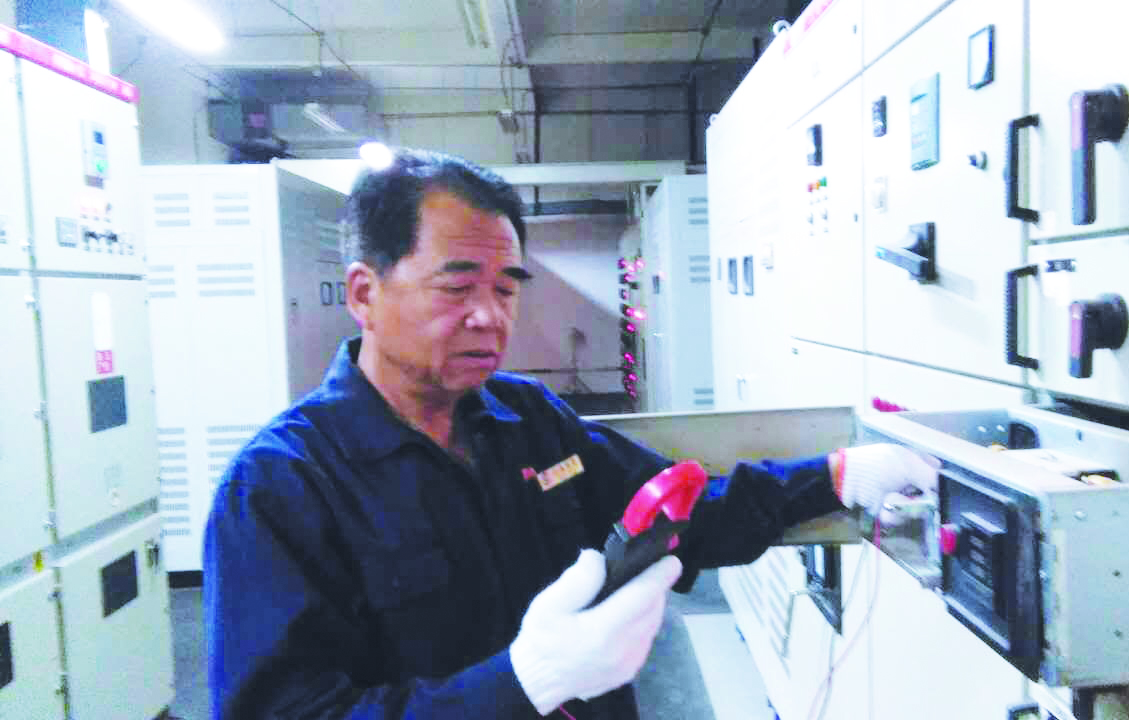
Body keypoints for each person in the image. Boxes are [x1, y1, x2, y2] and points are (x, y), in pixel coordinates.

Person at [204, 149, 939, 720]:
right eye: (457, 287)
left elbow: (679, 512)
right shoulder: (281, 487)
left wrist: (836, 477)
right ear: (365, 293)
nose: (490, 316)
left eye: (506, 287)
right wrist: (521, 683)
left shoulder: (528, 421)